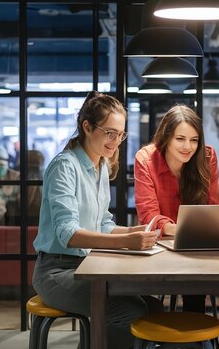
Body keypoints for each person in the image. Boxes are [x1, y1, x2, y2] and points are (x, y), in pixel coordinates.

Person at [32, 91, 158, 349]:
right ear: (87, 127)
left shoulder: (100, 165)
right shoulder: (64, 166)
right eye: (109, 132)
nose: (116, 141)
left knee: (152, 305)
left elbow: (102, 224)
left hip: (87, 267)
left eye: (120, 134)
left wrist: (133, 231)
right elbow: (68, 234)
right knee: (130, 311)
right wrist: (126, 242)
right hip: (56, 272)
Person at [134, 105, 219, 313]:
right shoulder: (146, 159)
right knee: (147, 298)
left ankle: (195, 341)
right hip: (159, 247)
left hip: (196, 246)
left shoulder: (207, 157)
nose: (188, 147)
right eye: (180, 139)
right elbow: (148, 216)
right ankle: (161, 336)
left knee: (196, 286)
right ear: (166, 137)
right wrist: (180, 228)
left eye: (194, 140)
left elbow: (212, 208)